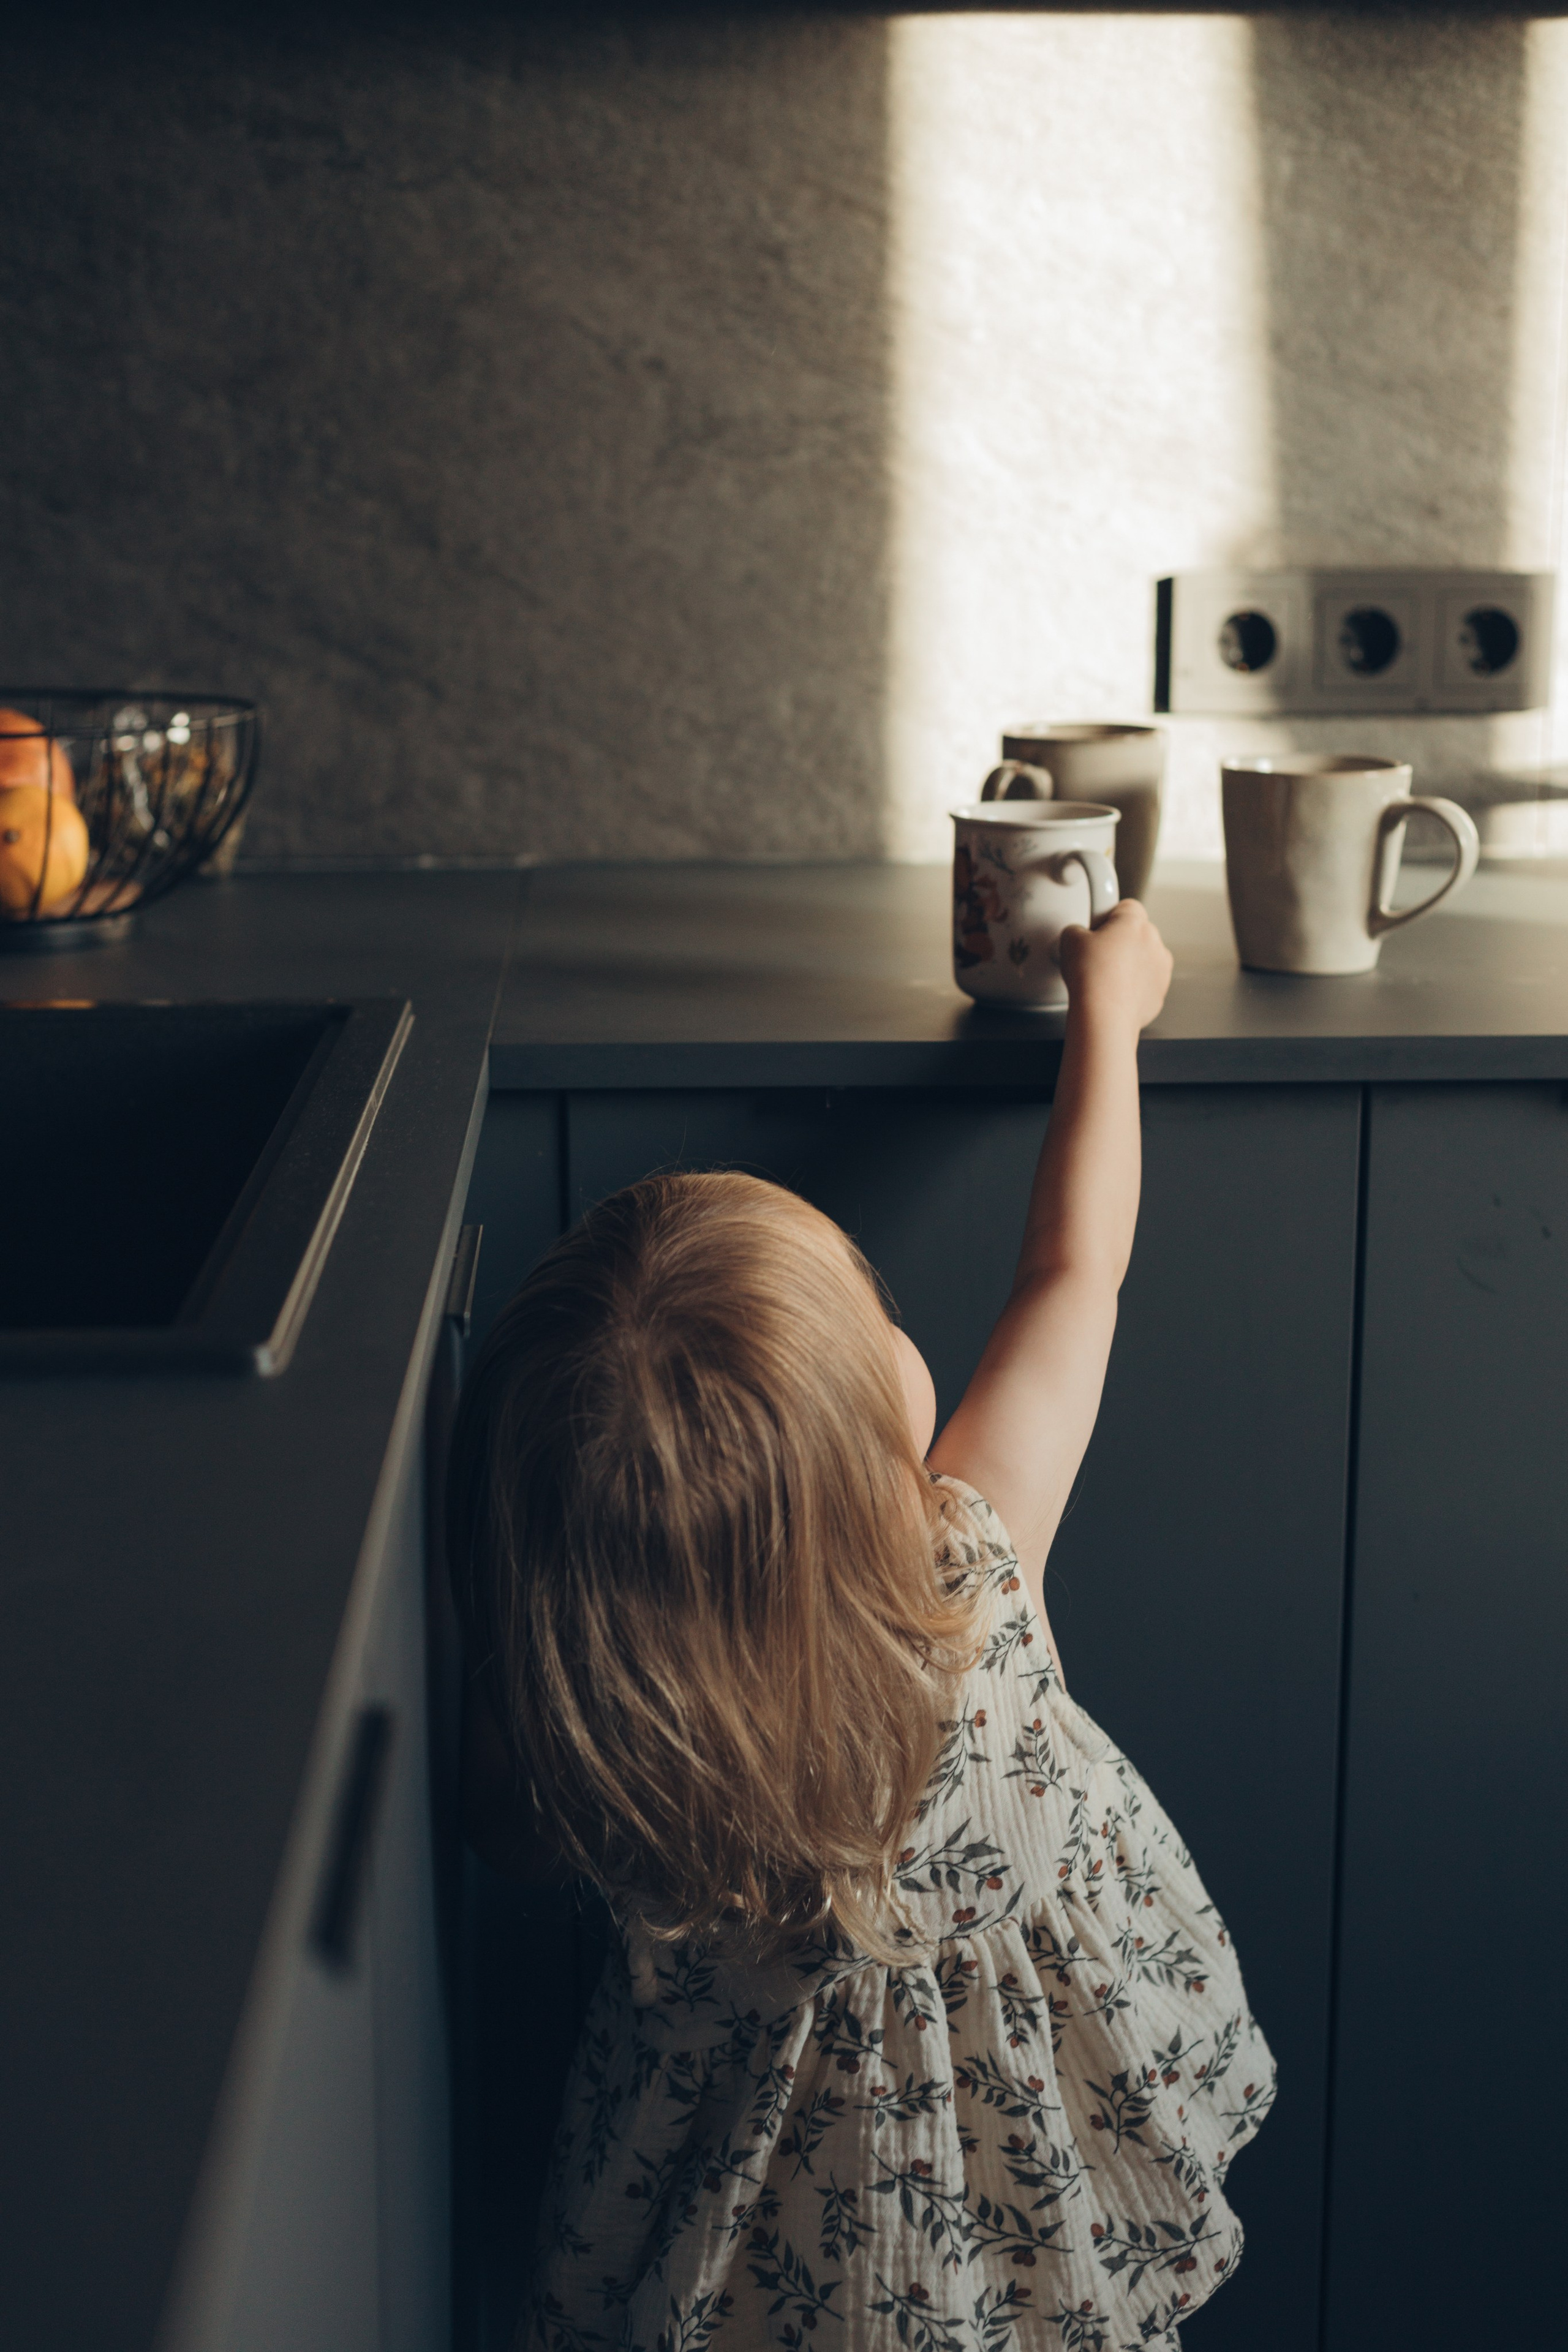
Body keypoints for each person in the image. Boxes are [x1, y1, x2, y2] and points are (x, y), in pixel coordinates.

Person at [448, 899, 1275, 2352]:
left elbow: (504, 1836)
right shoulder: (971, 1581)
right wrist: (1106, 1010)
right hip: (1029, 2228)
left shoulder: (611, 1721)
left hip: (750, 2260)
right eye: (874, 1320)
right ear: (864, 1449)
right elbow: (1071, 1270)